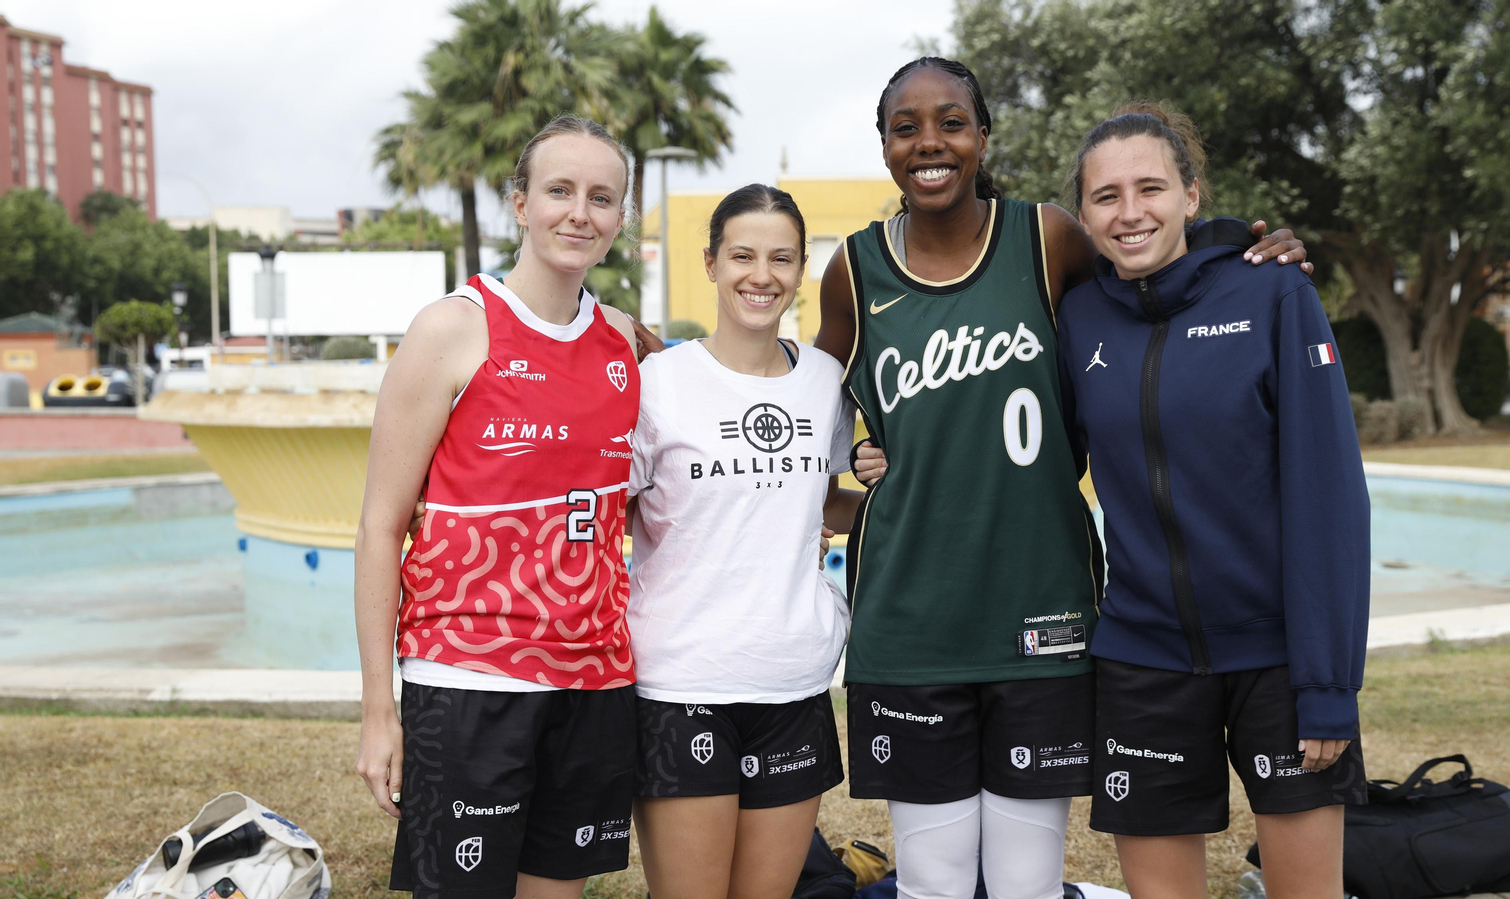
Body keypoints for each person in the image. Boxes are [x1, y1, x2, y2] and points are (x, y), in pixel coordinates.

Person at [815, 57, 1312, 899]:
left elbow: (1150, 278)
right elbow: (798, 434)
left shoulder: (1046, 237)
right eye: (907, 127)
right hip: (908, 630)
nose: (930, 142)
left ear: (983, 137)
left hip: (1040, 620)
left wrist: (1245, 246)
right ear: (886, 146)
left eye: (952, 122)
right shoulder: (853, 272)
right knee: (931, 887)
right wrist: (864, 497)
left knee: (1027, 888)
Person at [1057, 102, 1369, 899]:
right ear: (1084, 214)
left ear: (1192, 196)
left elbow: (1329, 495)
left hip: (1278, 662)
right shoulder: (1079, 316)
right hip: (1142, 661)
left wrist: (1328, 681)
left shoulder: (1272, 296)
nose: (1130, 213)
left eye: (1151, 187)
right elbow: (1037, 460)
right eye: (1106, 196)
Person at [354, 115, 643, 899]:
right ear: (519, 204)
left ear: (620, 220)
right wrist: (381, 709)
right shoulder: (452, 328)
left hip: (595, 679)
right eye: (559, 190)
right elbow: (381, 528)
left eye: (602, 197)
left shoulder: (624, 341)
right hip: (469, 677)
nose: (579, 212)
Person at [626, 184, 866, 899]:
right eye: (743, 255)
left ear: (800, 270)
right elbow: (607, 509)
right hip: (681, 682)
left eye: (781, 258)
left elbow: (821, 501)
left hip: (793, 679)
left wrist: (901, 499)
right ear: (711, 262)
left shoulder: (826, 381)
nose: (762, 274)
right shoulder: (658, 382)